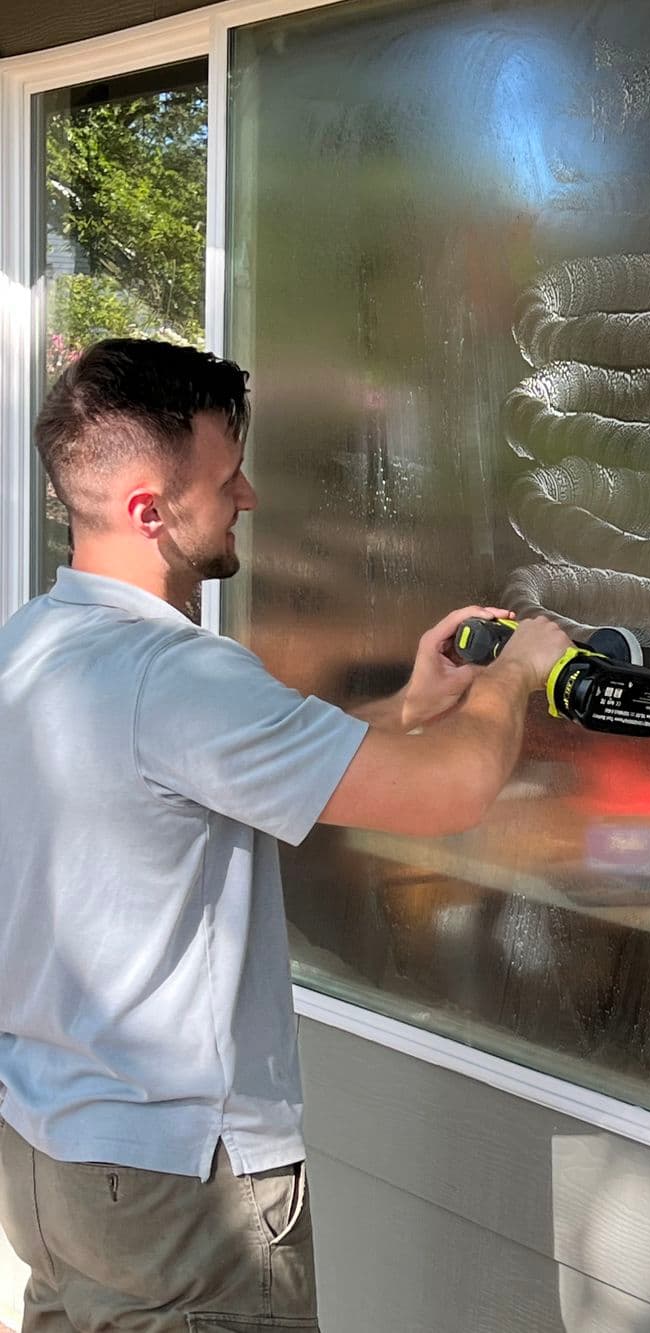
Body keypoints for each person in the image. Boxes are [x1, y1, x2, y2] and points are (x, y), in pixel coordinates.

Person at [0, 337, 571, 1331]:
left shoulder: (34, 645)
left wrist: (414, 705)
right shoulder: (178, 677)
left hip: (53, 1162)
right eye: (226, 478)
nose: (249, 496)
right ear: (150, 509)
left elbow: (232, 771)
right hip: (182, 1189)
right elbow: (451, 793)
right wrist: (518, 675)